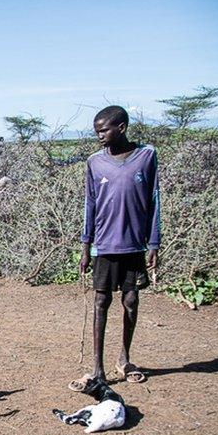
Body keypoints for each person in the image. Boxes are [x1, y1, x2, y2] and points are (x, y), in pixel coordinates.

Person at [70, 105, 160, 391]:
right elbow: (90, 204)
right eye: (96, 131)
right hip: (104, 245)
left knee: (131, 301)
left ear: (121, 127)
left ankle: (124, 359)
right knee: (101, 302)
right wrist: (86, 245)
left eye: (104, 130)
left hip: (134, 245)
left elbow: (155, 201)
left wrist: (154, 242)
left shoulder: (146, 156)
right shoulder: (94, 162)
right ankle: (97, 369)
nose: (99, 135)